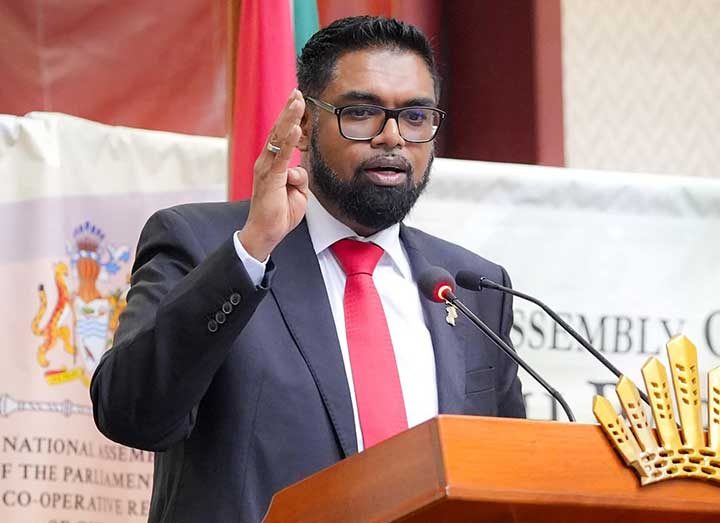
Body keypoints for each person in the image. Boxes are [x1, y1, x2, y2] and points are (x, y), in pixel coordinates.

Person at [91, 16, 524, 523]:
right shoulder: (205, 245)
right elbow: (131, 414)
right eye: (361, 112)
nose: (392, 137)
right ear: (303, 125)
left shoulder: (471, 286)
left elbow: (504, 478)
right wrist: (251, 251)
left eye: (415, 116)